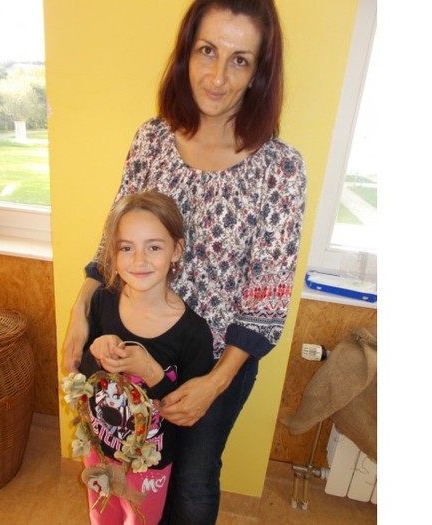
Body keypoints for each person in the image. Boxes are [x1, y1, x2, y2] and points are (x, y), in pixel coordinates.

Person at [63, 1, 307, 523]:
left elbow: (266, 304)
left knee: (191, 484)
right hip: (134, 338)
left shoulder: (280, 170)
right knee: (123, 463)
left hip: (212, 362)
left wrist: (213, 384)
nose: (217, 77)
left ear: (258, 72)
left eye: (240, 60)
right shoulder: (152, 140)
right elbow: (114, 239)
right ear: (186, 53)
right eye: (207, 51)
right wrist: (81, 313)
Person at [73, 191, 215, 525]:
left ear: (176, 250)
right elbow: (86, 379)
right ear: (113, 252)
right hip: (99, 448)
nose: (139, 261)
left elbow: (187, 414)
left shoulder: (193, 333)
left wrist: (152, 372)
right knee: (101, 515)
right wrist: (95, 352)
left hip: (149, 466)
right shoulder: (103, 302)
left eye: (154, 247)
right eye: (126, 248)